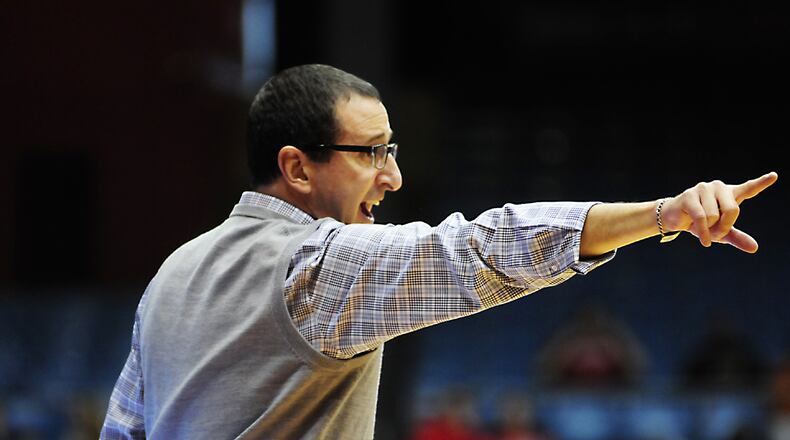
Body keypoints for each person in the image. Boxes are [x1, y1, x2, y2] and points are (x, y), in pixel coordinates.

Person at [100, 64, 778, 439]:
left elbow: (123, 431)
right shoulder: (320, 264)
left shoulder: (173, 272)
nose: (392, 176)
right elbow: (480, 250)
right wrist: (664, 213)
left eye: (390, 150)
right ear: (298, 168)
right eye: (371, 154)